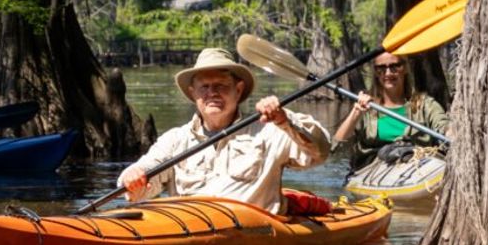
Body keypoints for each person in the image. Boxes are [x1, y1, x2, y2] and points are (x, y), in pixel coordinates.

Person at [118, 47, 332, 212]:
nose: (212, 93)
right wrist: (133, 175)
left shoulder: (270, 130)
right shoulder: (175, 139)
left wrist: (285, 121)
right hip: (188, 228)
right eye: (205, 87)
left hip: (253, 235)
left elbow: (320, 152)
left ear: (238, 90)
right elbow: (142, 178)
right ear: (193, 93)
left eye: (220, 85)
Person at [332, 51, 449, 174]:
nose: (388, 73)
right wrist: (356, 113)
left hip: (417, 166)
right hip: (373, 171)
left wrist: (450, 132)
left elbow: (443, 126)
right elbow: (337, 144)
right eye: (381, 68)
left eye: (395, 66)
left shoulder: (425, 104)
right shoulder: (366, 106)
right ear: (376, 72)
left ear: (405, 68)